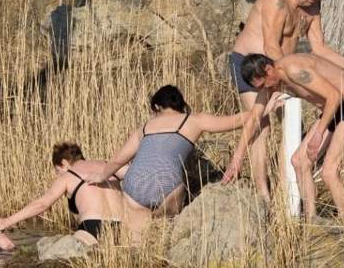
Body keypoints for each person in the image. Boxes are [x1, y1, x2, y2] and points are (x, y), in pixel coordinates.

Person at [229, 0, 344, 199]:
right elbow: (270, 45)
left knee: (292, 124)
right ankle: (263, 194)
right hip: (257, 67)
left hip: (282, 72)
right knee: (262, 124)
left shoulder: (311, 9)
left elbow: (319, 48)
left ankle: (288, 193)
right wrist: (288, 80)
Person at [79, 86, 245, 242]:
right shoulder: (194, 120)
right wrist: (262, 108)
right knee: (168, 233)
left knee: (136, 244)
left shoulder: (144, 127)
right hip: (167, 184)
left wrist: (101, 176)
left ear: (157, 107)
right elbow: (240, 120)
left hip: (134, 186)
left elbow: (117, 160)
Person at [223, 52, 344, 219]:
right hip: (333, 111)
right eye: (259, 88)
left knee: (328, 170)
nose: (264, 91)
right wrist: (238, 158)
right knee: (299, 161)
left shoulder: (293, 69)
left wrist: (318, 134)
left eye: (263, 85)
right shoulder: (270, 83)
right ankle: (312, 220)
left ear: (269, 70)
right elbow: (252, 120)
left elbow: (334, 96)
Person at [0, 143, 112, 240]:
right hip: (126, 229)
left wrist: (6, 222)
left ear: (64, 163)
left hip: (93, 227)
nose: (57, 175)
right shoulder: (110, 166)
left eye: (57, 170)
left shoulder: (68, 175)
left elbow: (42, 204)